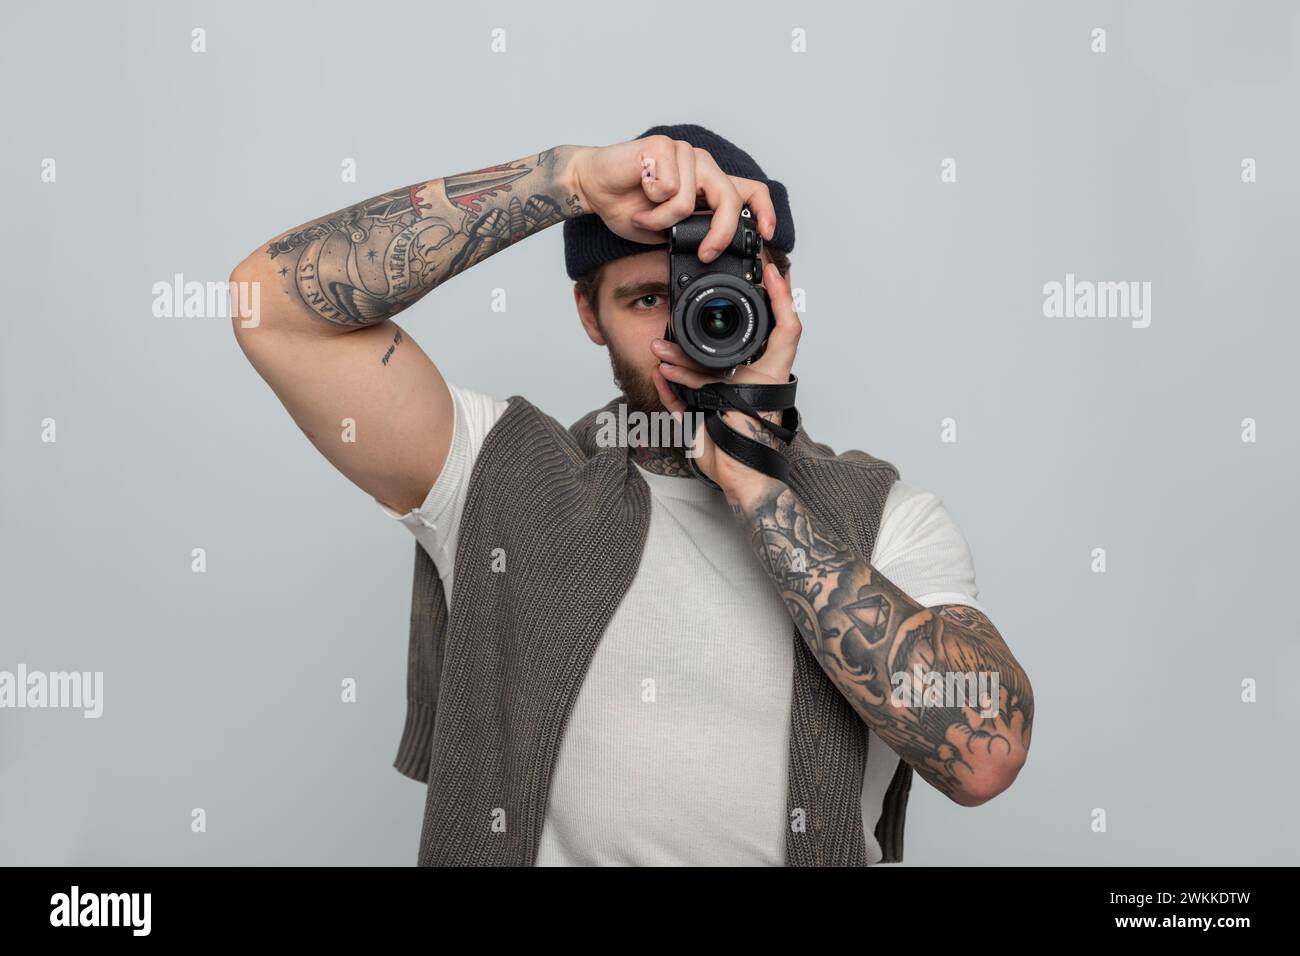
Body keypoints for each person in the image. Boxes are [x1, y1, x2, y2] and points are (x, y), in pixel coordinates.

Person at [229, 124, 1035, 866]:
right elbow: (270, 306)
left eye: (719, 297)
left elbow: (987, 754)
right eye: (650, 299)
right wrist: (568, 180)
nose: (688, 333)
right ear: (589, 311)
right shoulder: (495, 475)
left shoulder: (885, 518)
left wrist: (757, 486)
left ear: (779, 299)